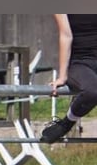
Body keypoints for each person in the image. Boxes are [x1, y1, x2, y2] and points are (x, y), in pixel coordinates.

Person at [40, 14, 97, 144]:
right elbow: (66, 35)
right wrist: (62, 75)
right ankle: (67, 123)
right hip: (81, 62)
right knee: (92, 91)